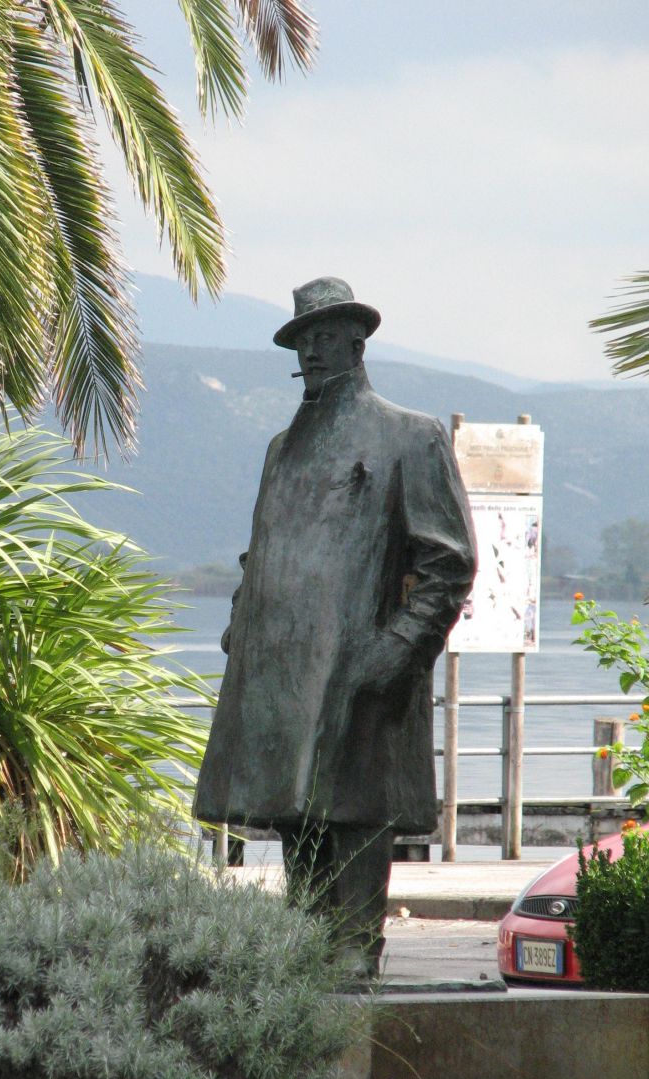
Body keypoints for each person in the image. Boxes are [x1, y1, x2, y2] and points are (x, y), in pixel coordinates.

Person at [194, 277, 476, 985]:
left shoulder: (410, 436)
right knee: (299, 807)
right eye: (301, 340)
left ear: (357, 339)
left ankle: (355, 949)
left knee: (355, 806)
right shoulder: (281, 449)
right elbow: (261, 551)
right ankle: (307, 947)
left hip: (360, 665)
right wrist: (239, 623)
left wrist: (397, 650)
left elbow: (448, 560)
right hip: (280, 668)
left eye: (324, 336)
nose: (312, 351)